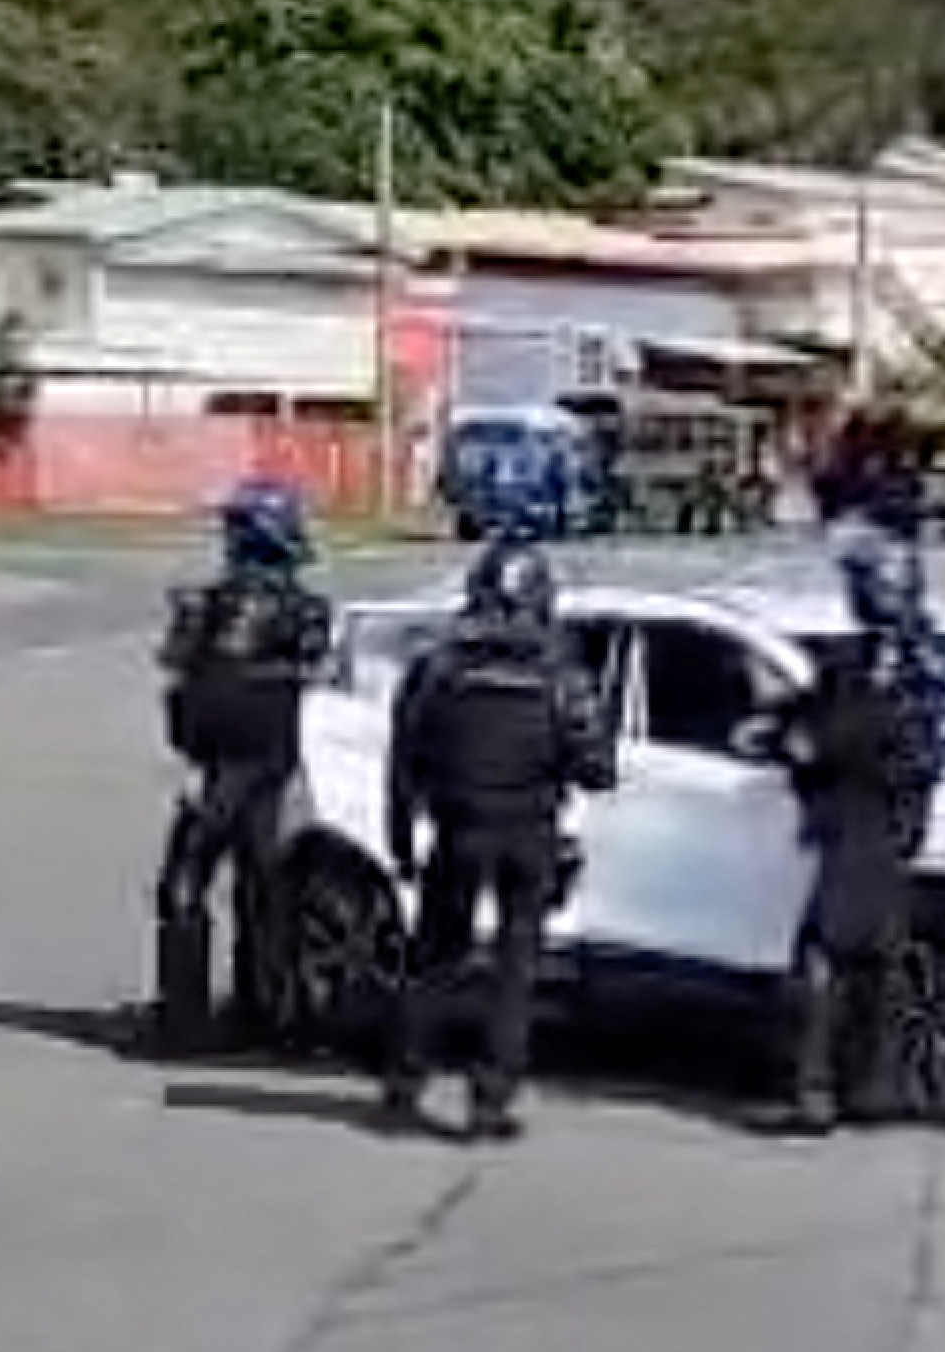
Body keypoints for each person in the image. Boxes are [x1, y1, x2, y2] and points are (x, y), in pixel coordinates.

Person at [380, 535, 612, 1141]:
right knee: (515, 972)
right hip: (527, 832)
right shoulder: (560, 670)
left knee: (434, 960)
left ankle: (404, 1083)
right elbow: (597, 766)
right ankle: (489, 1103)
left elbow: (403, 756)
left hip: (457, 828)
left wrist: (401, 835)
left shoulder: (438, 664)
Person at [766, 522, 945, 1133]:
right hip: (892, 824)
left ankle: (817, 1092)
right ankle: (874, 1087)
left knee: (827, 957)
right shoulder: (922, 656)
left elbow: (844, 739)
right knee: (880, 960)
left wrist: (802, 744)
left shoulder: (882, 665)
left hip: (858, 820)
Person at [148, 477, 336, 1056]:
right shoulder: (309, 611)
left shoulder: (202, 606)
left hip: (218, 763)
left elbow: (179, 670)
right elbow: (314, 673)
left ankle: (184, 1021)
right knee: (266, 884)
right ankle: (270, 1016)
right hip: (271, 762)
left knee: (186, 883)